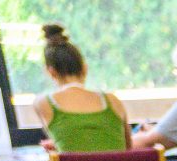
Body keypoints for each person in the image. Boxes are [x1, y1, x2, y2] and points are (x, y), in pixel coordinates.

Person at [32, 24, 127, 153]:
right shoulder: (113, 101)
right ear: (85, 68)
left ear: (51, 72)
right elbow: (127, 152)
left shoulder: (43, 103)